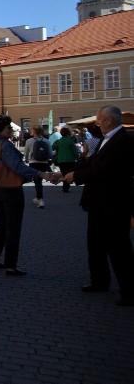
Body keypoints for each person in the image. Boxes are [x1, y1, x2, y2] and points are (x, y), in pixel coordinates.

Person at [63, 106, 134, 306]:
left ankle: (129, 291)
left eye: (100, 119)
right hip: (97, 203)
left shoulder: (124, 141)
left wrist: (75, 176)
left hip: (114, 203)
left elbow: (105, 171)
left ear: (110, 120)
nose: (97, 123)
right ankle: (100, 281)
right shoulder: (107, 138)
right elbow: (92, 163)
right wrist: (65, 174)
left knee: (119, 249)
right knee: (95, 245)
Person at [0, 115, 56, 276]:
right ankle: (11, 265)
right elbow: (18, 167)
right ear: (2, 130)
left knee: (3, 224)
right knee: (13, 227)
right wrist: (41, 174)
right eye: (8, 128)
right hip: (10, 190)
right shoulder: (5, 145)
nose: (11, 130)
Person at [23, 125, 51, 208]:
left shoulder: (29, 141)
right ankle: (39, 198)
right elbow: (50, 153)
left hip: (34, 162)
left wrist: (27, 159)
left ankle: (40, 199)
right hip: (44, 163)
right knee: (39, 180)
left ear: (33, 131)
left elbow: (26, 152)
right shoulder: (46, 141)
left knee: (37, 181)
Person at [52, 127, 79, 192]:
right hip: (70, 160)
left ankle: (65, 186)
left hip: (61, 160)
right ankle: (66, 187)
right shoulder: (70, 141)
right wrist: (78, 158)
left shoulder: (58, 141)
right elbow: (75, 151)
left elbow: (53, 148)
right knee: (68, 173)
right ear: (68, 133)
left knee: (64, 173)